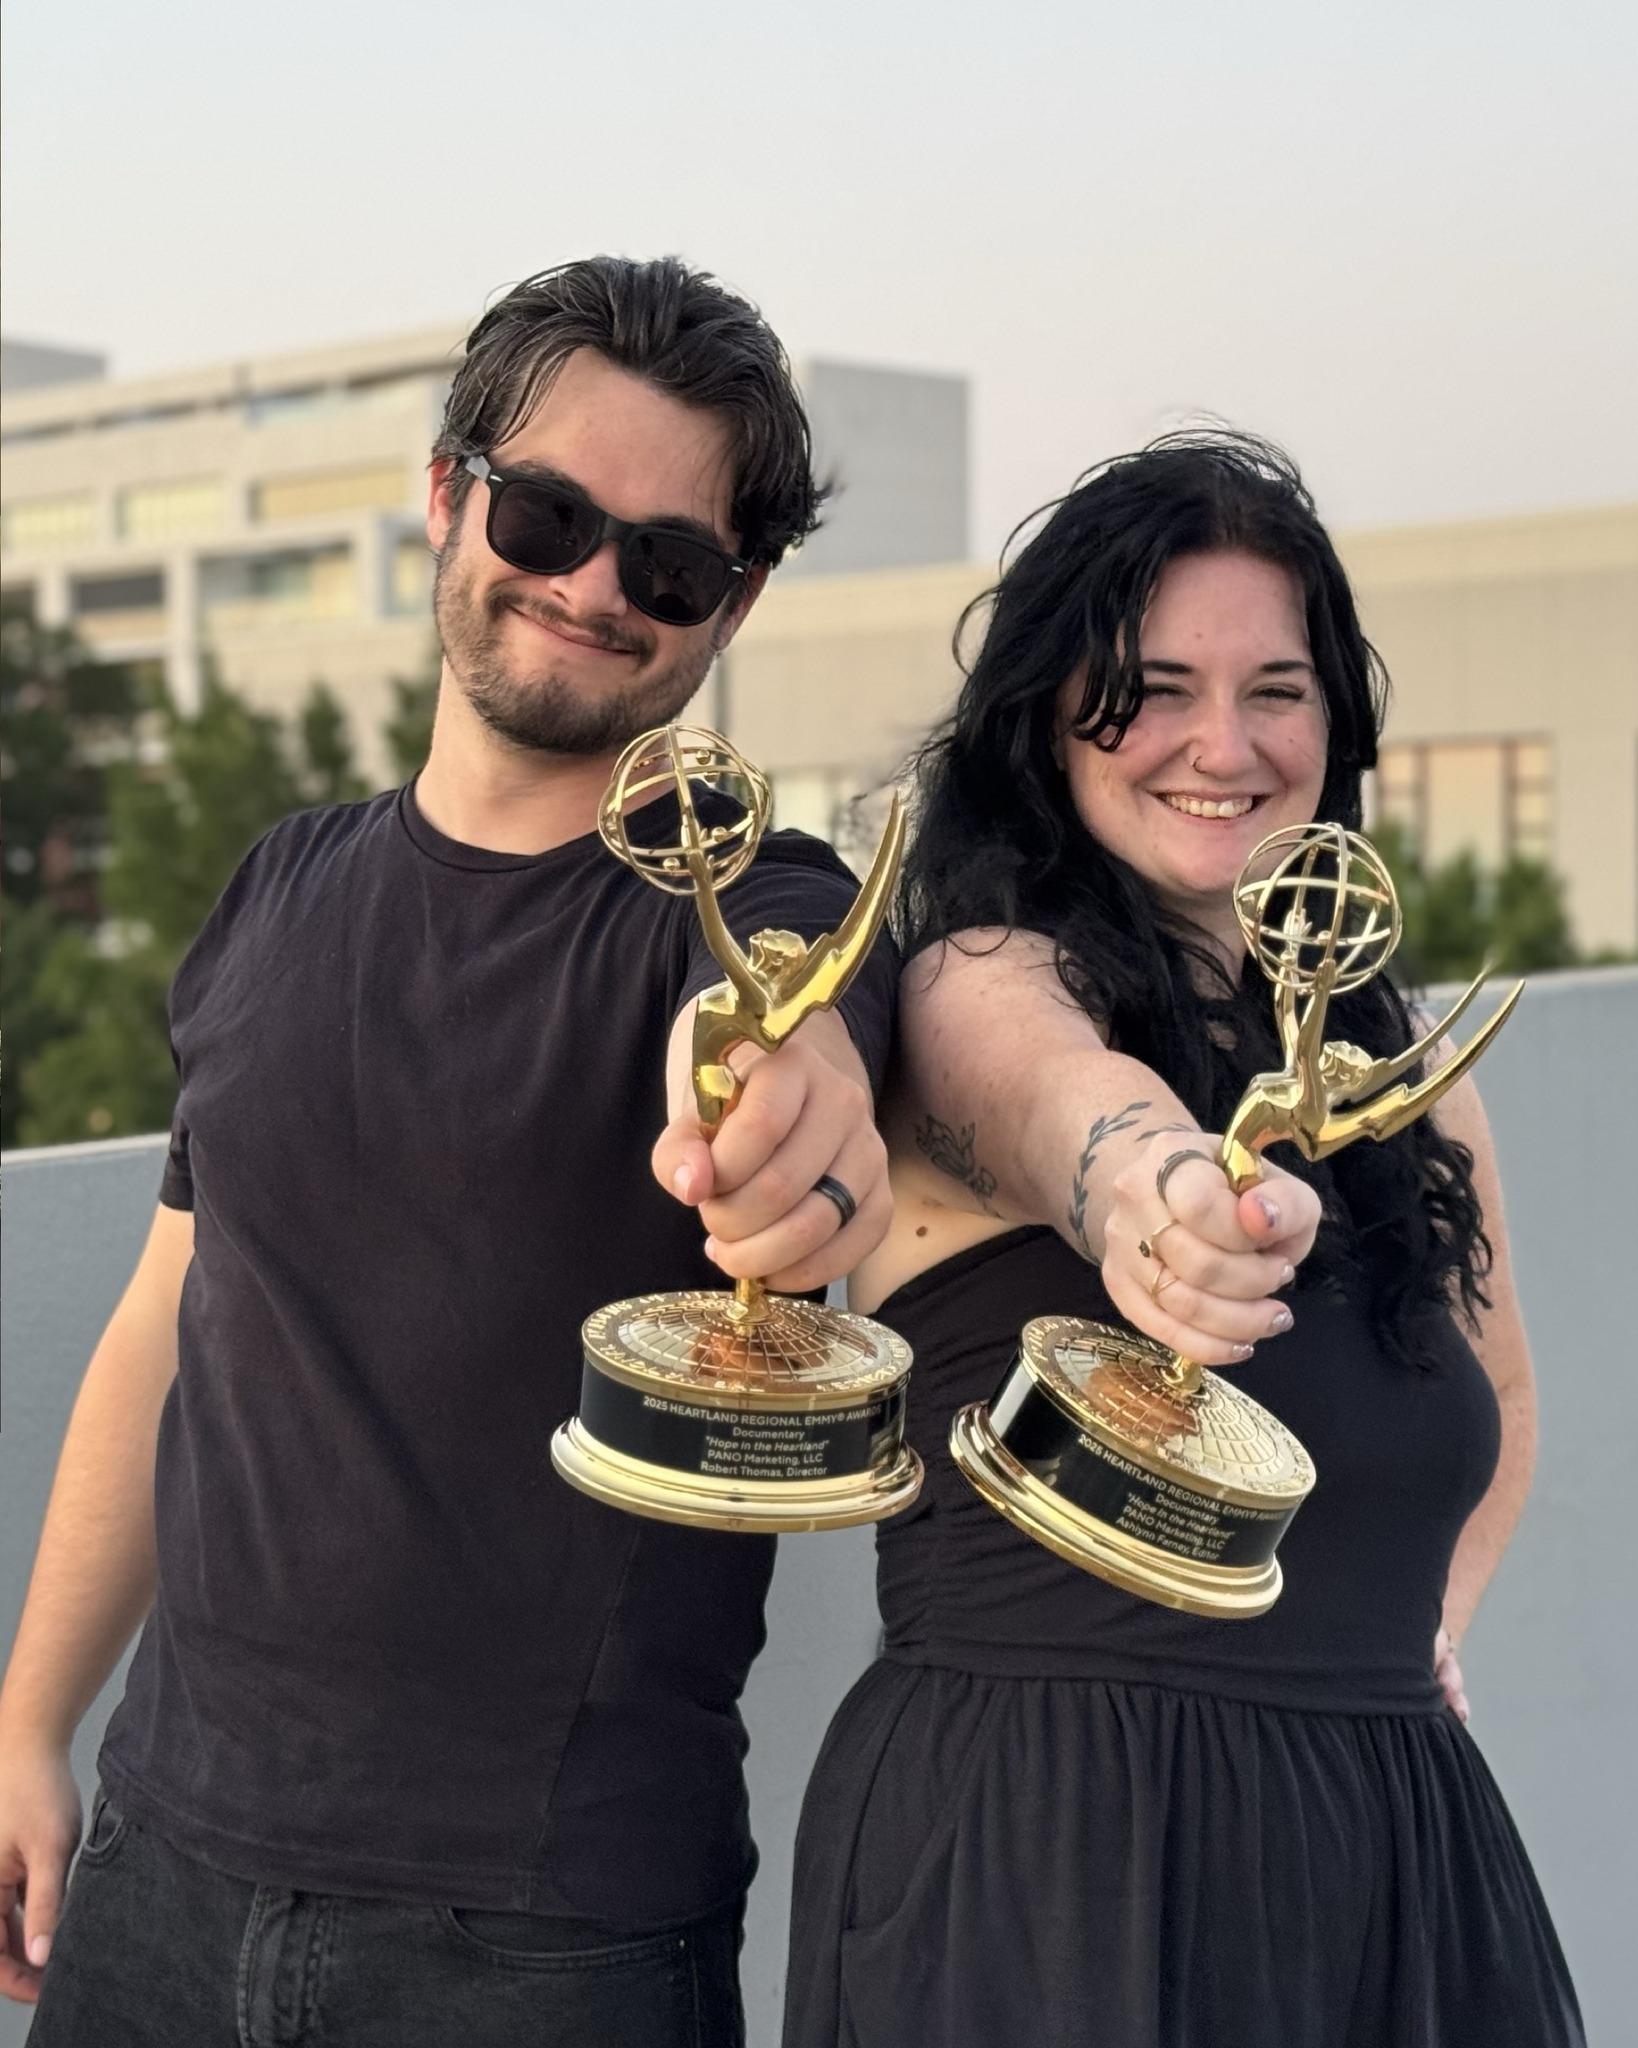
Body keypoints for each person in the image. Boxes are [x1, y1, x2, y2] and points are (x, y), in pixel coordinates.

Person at [0, 255, 898, 2047]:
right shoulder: (278, 886)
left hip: (545, 1943)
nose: (588, 589)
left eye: (669, 561)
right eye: (549, 514)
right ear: (445, 492)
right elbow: (176, 1322)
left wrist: (799, 1140)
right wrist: (30, 1722)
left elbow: (806, 1060)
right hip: (161, 1869)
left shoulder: (752, 911)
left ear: (736, 602)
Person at [784, 433, 1583, 2048]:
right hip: (1051, 1852)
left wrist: (1420, 1638)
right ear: (1047, 723)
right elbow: (1069, 1107)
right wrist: (1158, 1199)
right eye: (1151, 687)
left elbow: (1494, 1411)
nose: (1222, 742)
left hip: (1391, 1857)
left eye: (1276, 689)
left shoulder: (1398, 1061)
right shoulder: (972, 980)